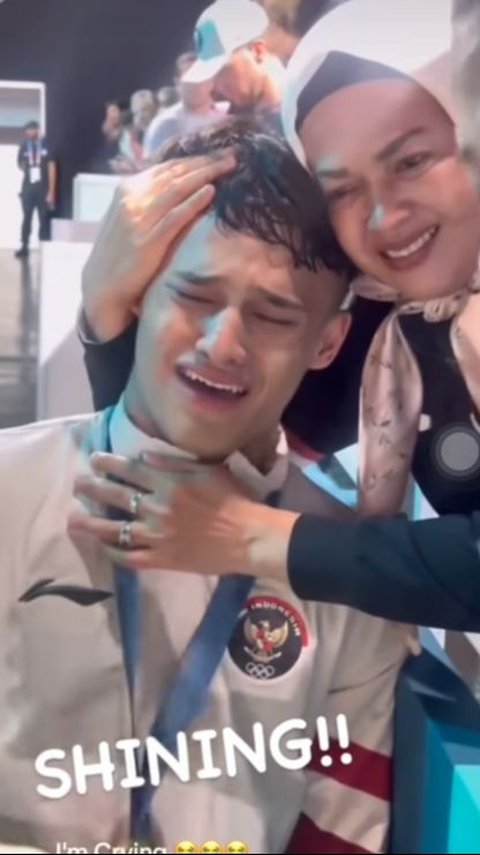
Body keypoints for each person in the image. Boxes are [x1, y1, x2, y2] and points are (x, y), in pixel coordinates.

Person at [0, 125, 409, 854]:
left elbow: (340, 829)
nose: (224, 342)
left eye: (274, 315)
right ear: (135, 289)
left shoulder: (352, 582)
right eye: (194, 293)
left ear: (328, 341)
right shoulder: (10, 490)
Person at [74, 0, 480, 632]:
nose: (383, 216)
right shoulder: (376, 340)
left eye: (411, 161)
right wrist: (105, 304)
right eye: (342, 188)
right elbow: (182, 446)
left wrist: (257, 537)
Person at [182, 0, 286, 131]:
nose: (215, 88)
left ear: (257, 51)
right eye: (212, 75)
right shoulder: (237, 129)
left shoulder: (306, 106)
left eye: (223, 70)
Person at [143, 53, 227, 158]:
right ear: (177, 83)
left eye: (200, 76)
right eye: (189, 77)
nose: (195, 83)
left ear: (211, 80)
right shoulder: (164, 125)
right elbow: (152, 167)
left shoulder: (228, 114)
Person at [15, 121, 56, 259]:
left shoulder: (47, 145)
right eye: (27, 131)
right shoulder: (24, 146)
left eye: (31, 130)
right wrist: (28, 167)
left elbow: (52, 167)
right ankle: (24, 246)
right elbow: (20, 164)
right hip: (28, 187)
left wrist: (51, 191)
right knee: (26, 217)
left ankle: (43, 247)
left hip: (42, 187)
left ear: (37, 130)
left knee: (43, 218)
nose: (28, 133)